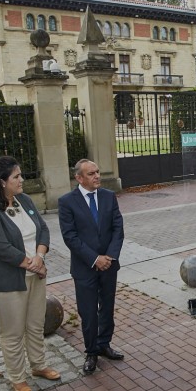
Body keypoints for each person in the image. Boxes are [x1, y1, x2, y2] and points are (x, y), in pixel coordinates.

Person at [0, 156, 57, 391]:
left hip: (35, 272)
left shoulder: (24, 200)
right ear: (2, 182)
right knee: (12, 332)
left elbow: (42, 229)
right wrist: (33, 265)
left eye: (20, 175)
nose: (22, 180)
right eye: (16, 176)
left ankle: (38, 365)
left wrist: (40, 258)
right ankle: (17, 378)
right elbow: (0, 247)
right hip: (8, 280)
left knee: (35, 324)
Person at [58, 159, 126, 375]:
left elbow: (118, 228)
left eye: (97, 172)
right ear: (79, 178)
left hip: (109, 265)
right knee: (88, 312)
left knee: (107, 307)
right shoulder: (67, 202)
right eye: (91, 174)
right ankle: (91, 351)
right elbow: (70, 237)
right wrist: (95, 258)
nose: (97, 176)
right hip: (85, 267)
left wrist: (110, 256)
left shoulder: (108, 196)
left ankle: (104, 344)